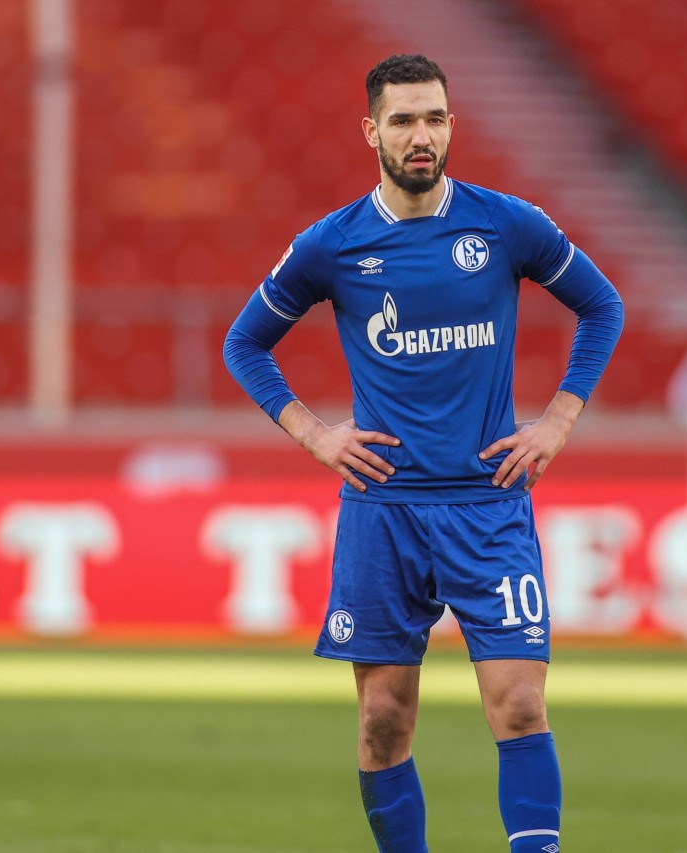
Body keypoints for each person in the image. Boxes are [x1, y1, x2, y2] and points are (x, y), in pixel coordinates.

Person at [223, 53, 623, 853]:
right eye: (403, 119)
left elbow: (601, 305)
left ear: (451, 126)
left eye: (434, 118)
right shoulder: (331, 245)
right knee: (381, 722)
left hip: (488, 505)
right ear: (371, 130)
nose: (421, 135)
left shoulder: (506, 224)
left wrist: (556, 423)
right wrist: (315, 434)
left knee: (519, 706)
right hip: (385, 511)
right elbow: (246, 343)